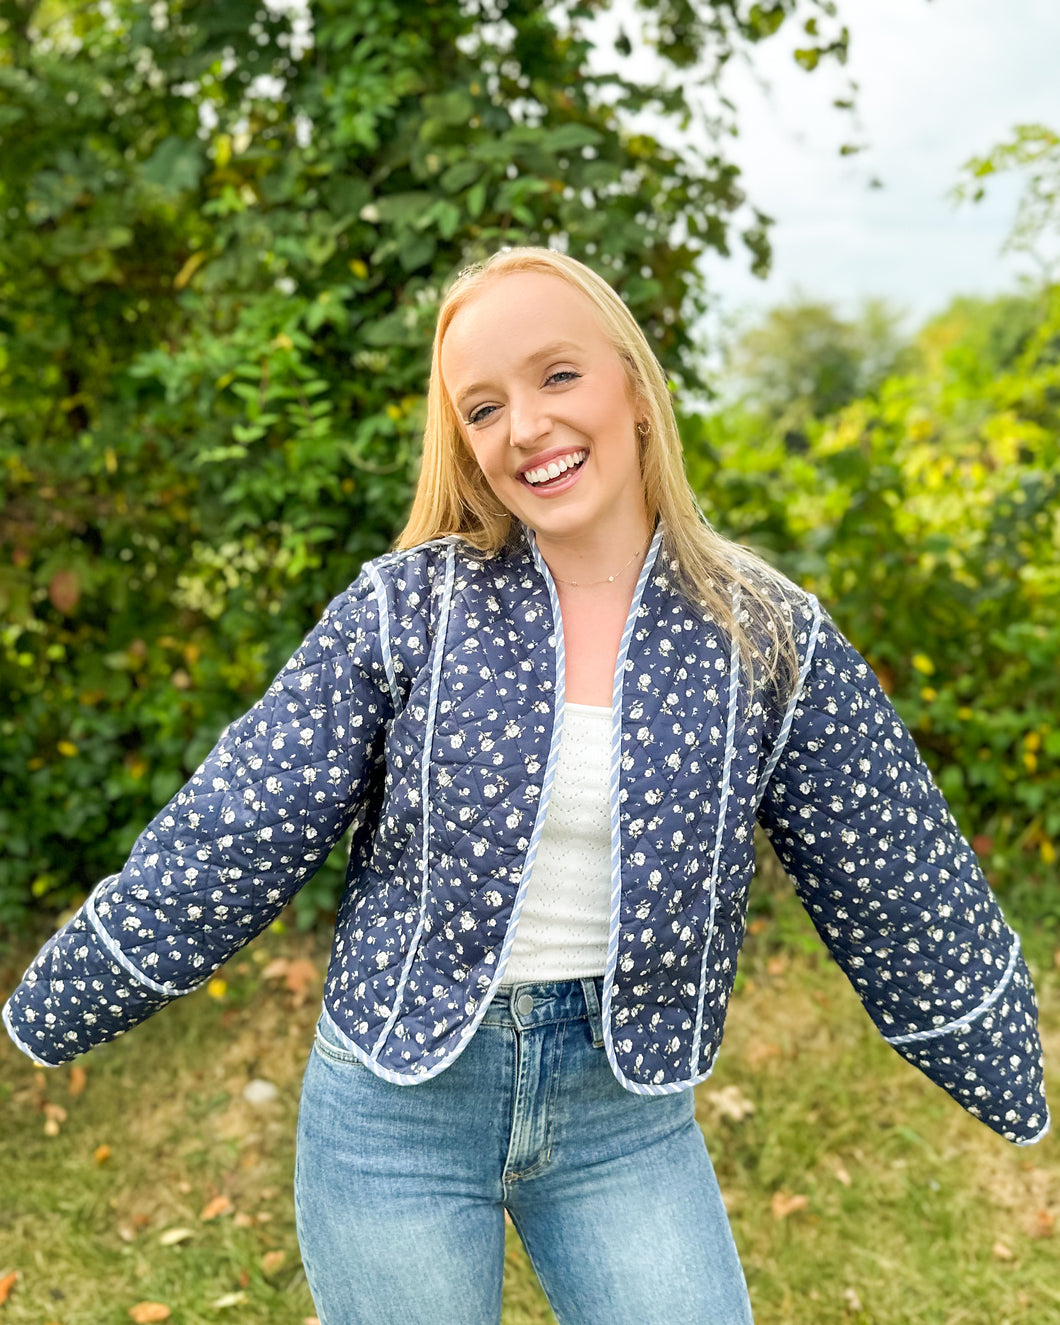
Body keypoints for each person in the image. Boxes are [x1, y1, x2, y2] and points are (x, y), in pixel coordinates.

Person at [4, 246, 1049, 1324]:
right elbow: (239, 824)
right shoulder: (408, 607)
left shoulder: (763, 629)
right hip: (394, 1111)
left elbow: (894, 870)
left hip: (623, 1117)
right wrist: (66, 994)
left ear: (633, 389)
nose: (526, 427)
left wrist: (993, 1046)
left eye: (558, 376)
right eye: (484, 406)